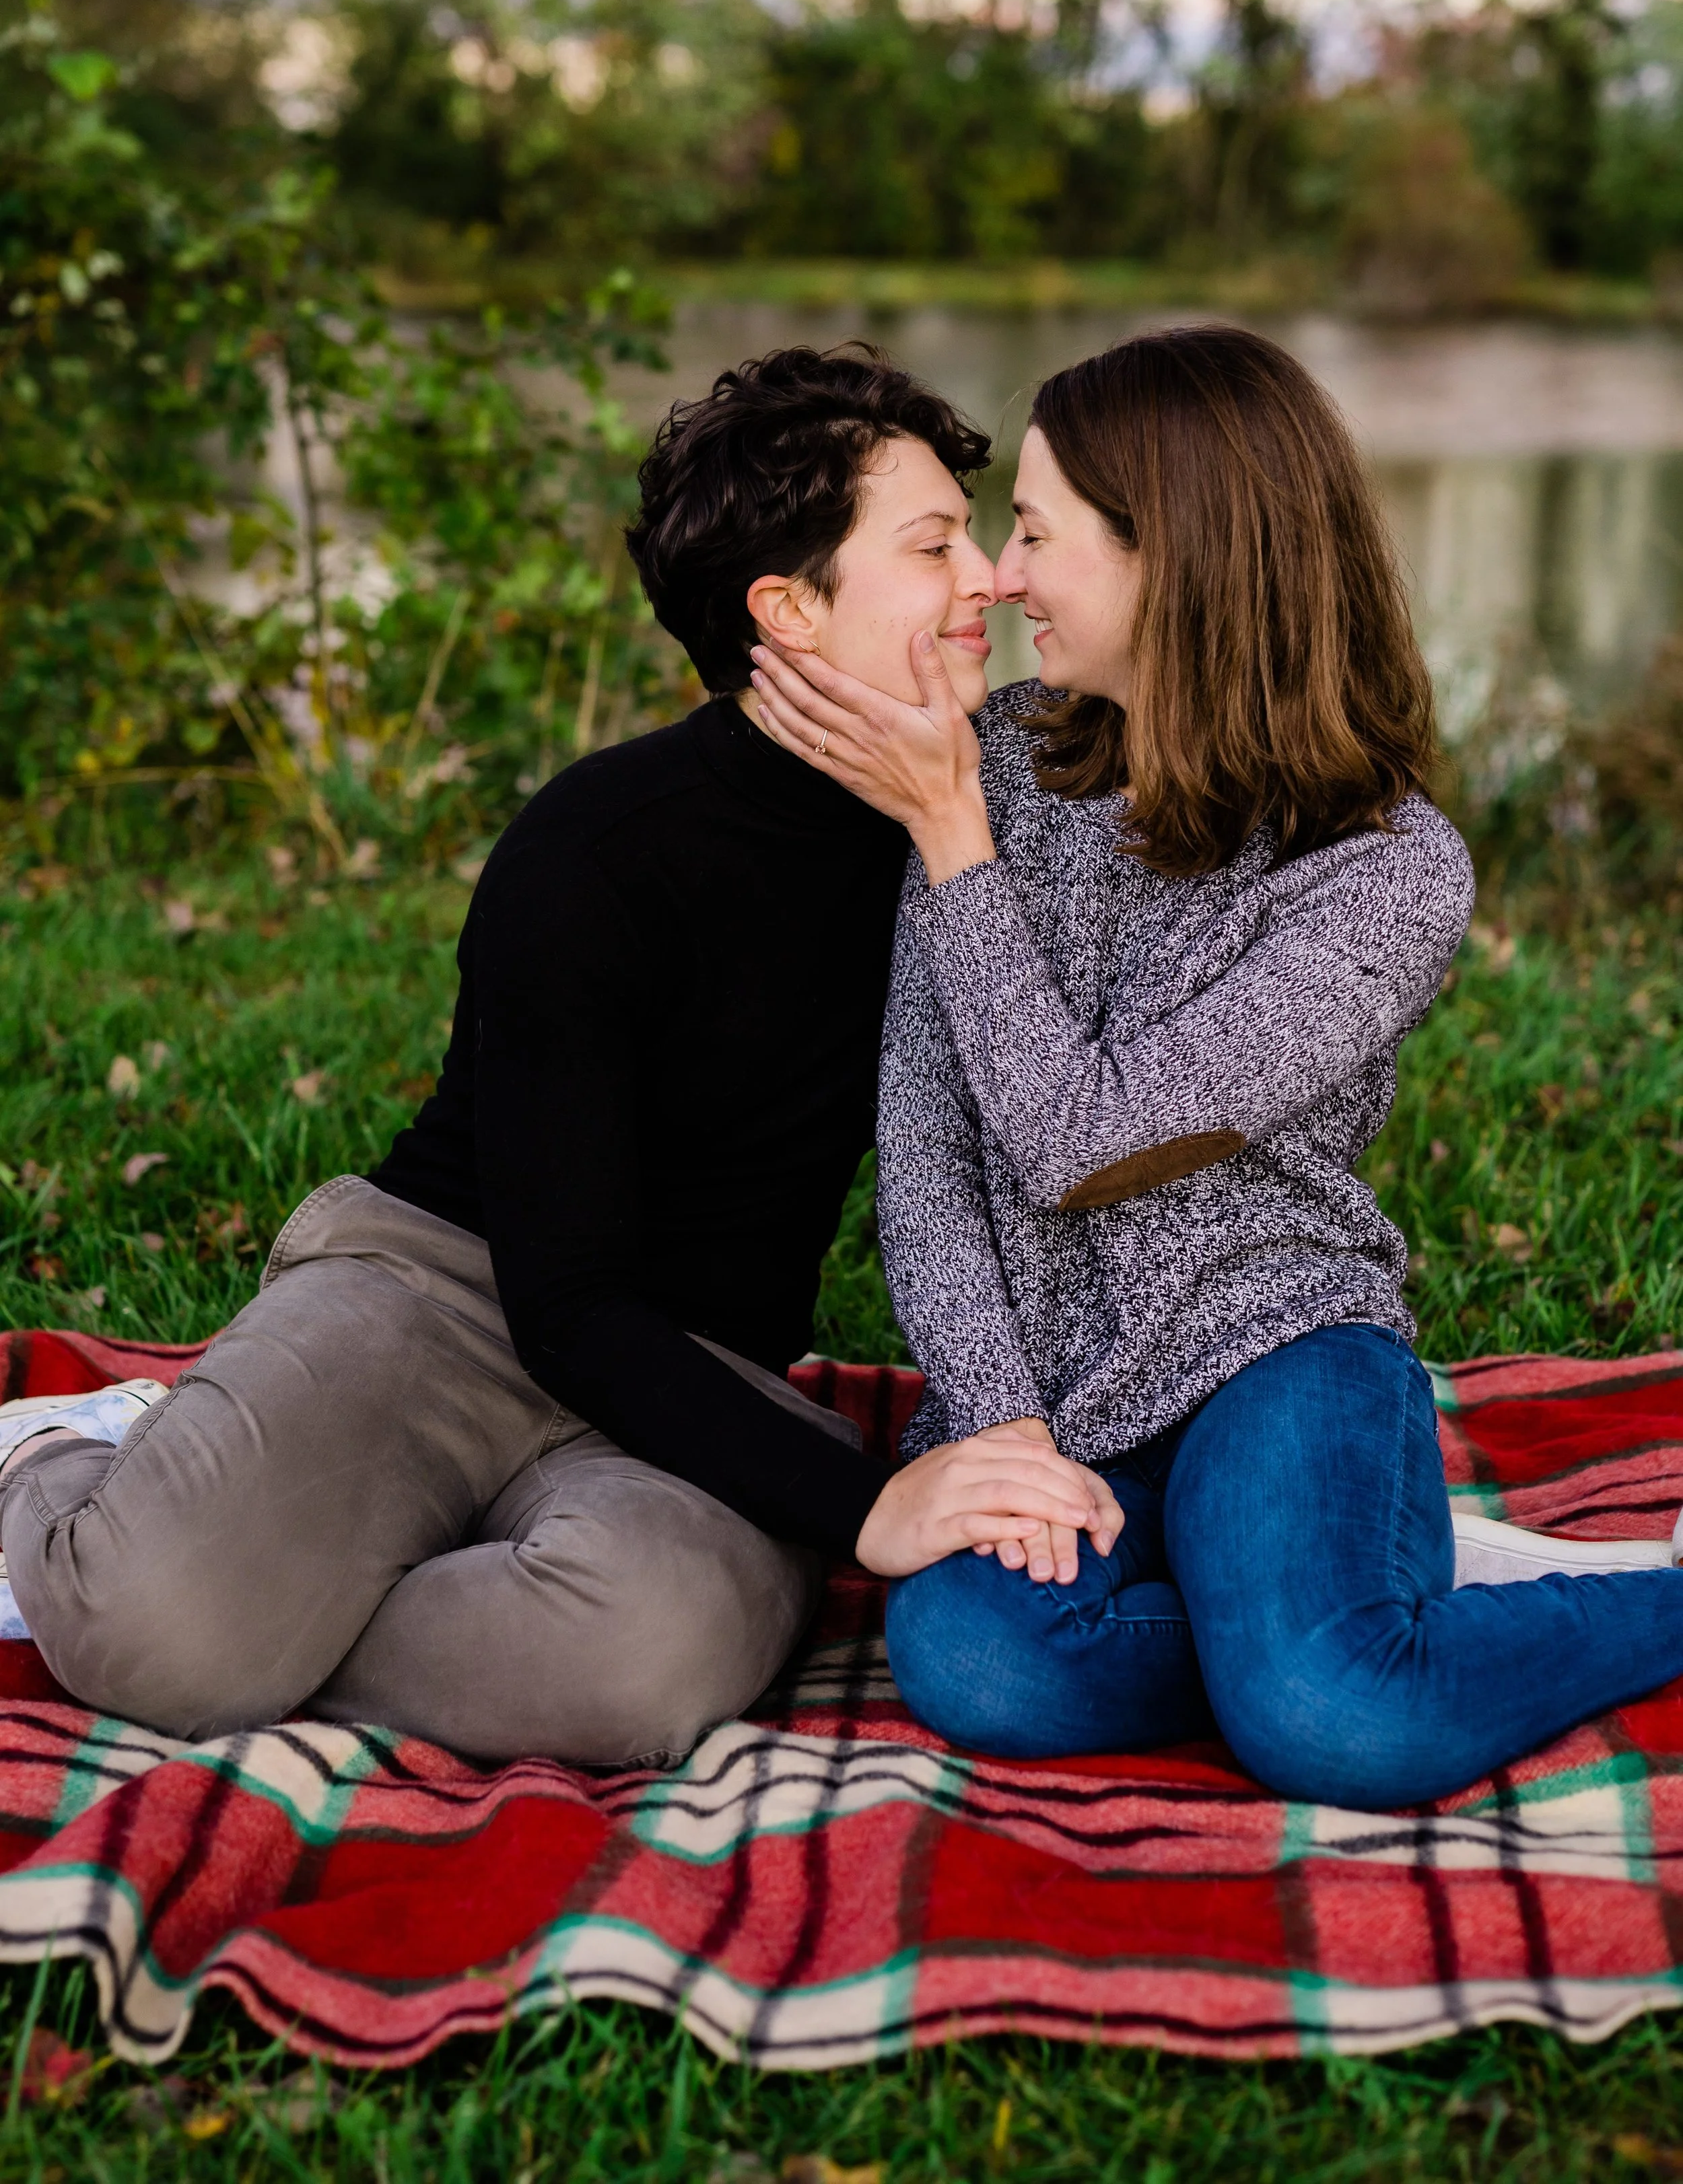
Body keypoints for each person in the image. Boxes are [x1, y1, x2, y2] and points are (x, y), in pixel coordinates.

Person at [0, 345, 1120, 1765]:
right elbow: (567, 1296)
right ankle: (68, 1462)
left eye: (978, 536)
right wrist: (859, 1509)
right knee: (144, 1629)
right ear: (787, 608)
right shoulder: (595, 850)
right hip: (445, 1299)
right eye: (933, 544)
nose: (990, 579)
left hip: (706, 1372)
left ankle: (278, 1591)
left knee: (645, 1664)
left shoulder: (995, 818)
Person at [749, 323, 1683, 1812]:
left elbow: (1084, 1142)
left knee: (1334, 1723)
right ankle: (1326, 1598)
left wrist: (948, 847)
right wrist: (997, 1426)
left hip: (1275, 1345)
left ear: (1169, 557)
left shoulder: (1379, 873)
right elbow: (923, 1155)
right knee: (979, 1660)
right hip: (1054, 1387)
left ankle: (1497, 1612)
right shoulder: (990, 765)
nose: (997, 575)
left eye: (1036, 533)